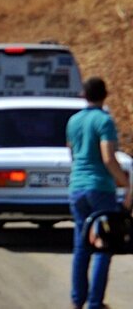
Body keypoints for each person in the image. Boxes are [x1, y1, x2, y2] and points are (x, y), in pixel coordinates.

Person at [67, 76, 132, 309]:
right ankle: (95, 302)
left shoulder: (73, 121)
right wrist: (125, 183)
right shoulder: (104, 121)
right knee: (105, 244)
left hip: (77, 188)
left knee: (81, 244)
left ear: (84, 95)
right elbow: (108, 157)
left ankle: (77, 299)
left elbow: (72, 154)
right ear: (105, 95)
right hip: (100, 189)